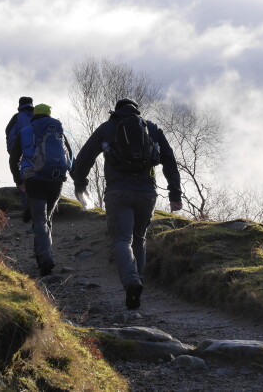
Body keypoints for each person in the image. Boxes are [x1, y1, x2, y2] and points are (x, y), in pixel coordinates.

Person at [71, 98, 183, 310]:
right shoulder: (151, 128)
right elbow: (169, 159)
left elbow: (86, 156)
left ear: (116, 111)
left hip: (118, 192)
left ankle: (131, 282)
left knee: (122, 240)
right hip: (147, 193)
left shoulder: (108, 128)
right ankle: (138, 282)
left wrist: (80, 185)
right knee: (139, 238)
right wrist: (175, 193)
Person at [9, 103, 74, 276]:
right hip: (56, 179)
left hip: (34, 179)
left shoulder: (25, 132)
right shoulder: (57, 130)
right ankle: (42, 256)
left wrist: (18, 180)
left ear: (34, 115)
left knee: (39, 220)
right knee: (47, 219)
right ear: (49, 114)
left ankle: (46, 260)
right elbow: (70, 155)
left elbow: (13, 159)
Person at [6, 97, 35, 217]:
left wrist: (12, 152)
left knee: (23, 179)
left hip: (23, 153)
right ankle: (48, 209)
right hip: (40, 154)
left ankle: (27, 210)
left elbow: (10, 133)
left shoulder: (17, 118)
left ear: (20, 105)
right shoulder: (38, 116)